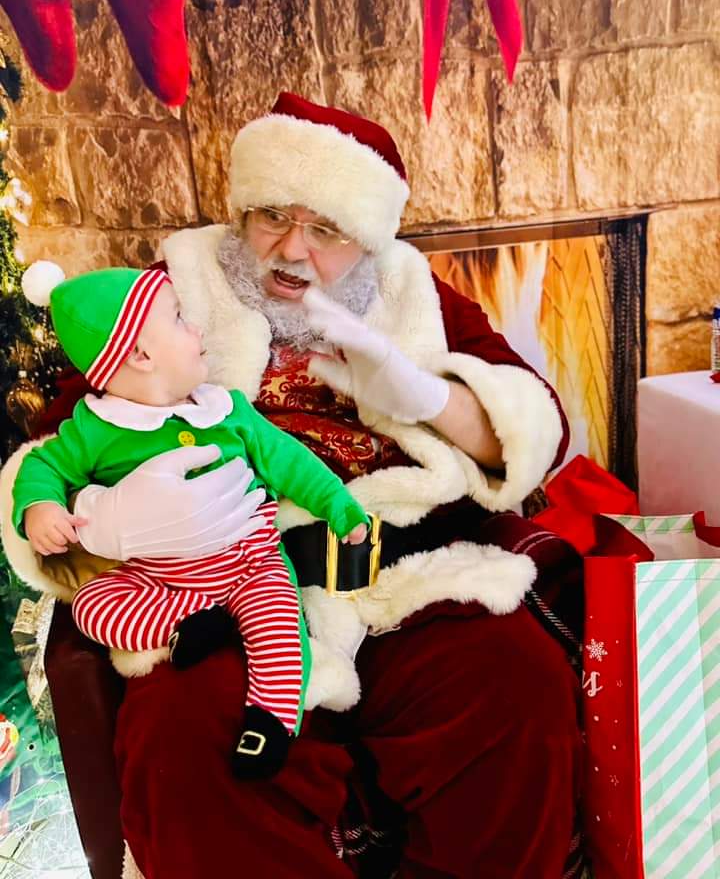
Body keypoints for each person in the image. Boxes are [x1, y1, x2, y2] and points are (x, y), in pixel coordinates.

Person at [0, 92, 583, 879]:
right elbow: (59, 443)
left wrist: (429, 398)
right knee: (183, 738)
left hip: (406, 572)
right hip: (217, 585)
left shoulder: (413, 291)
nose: (292, 250)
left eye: (327, 229)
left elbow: (540, 427)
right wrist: (101, 515)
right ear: (243, 209)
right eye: (273, 216)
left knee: (514, 689)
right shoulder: (171, 287)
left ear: (367, 238)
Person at [12, 264, 368, 778]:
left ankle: (269, 724)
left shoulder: (225, 410)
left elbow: (288, 460)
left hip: (250, 559)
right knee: (92, 605)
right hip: (159, 576)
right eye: (179, 319)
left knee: (279, 628)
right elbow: (42, 466)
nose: (197, 329)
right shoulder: (96, 428)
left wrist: (339, 506)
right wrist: (39, 508)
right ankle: (189, 622)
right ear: (140, 355)